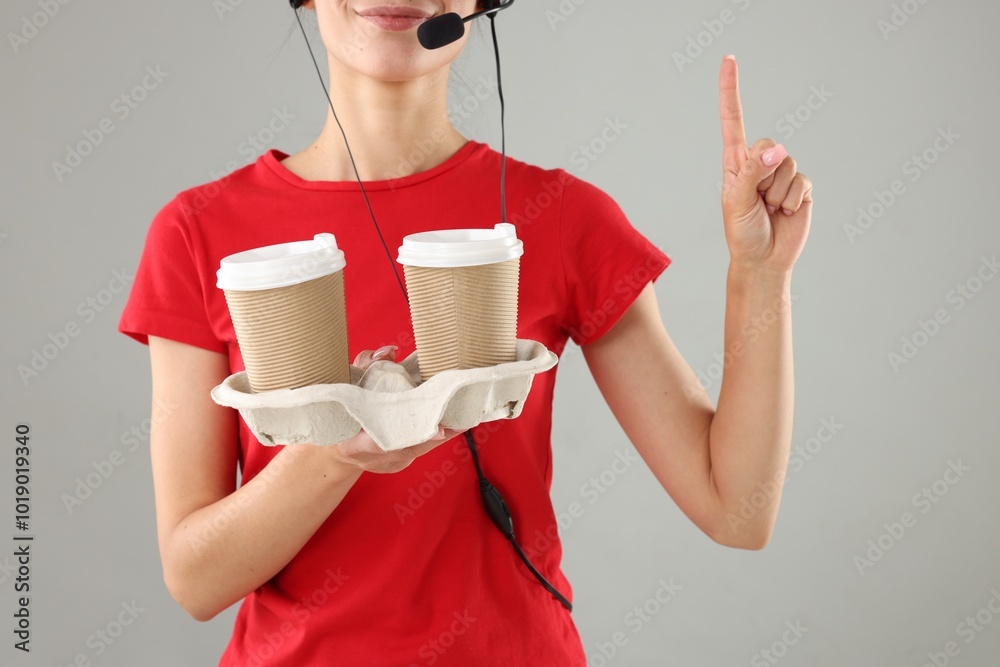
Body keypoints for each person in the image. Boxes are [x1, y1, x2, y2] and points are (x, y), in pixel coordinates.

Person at [117, 1, 813, 665]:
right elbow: (194, 579)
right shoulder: (198, 232)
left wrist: (760, 273)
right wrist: (340, 452)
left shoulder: (562, 217)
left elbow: (735, 507)